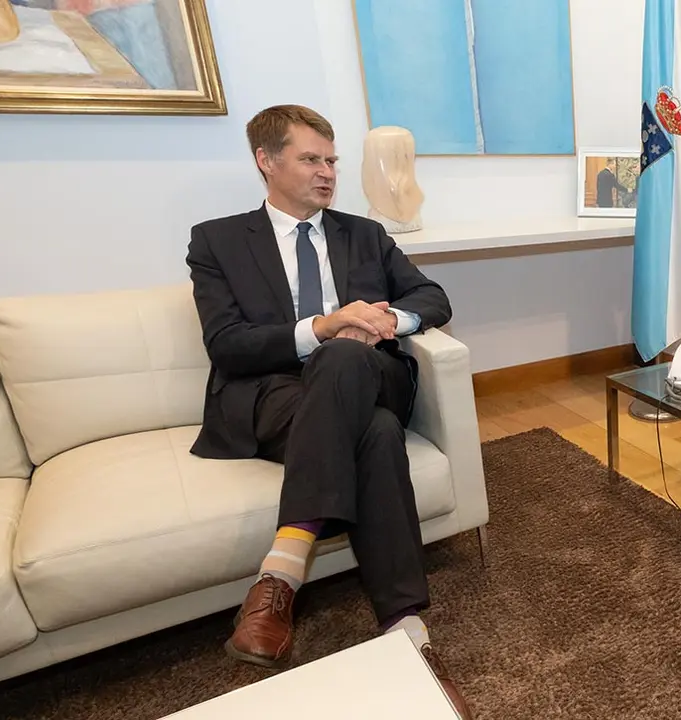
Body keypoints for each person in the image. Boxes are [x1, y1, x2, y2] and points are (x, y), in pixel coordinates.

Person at [186, 105, 470, 716]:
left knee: (344, 362)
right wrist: (323, 325)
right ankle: (408, 629)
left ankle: (282, 570)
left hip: (368, 373)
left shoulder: (363, 233)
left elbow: (433, 297)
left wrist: (390, 319)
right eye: (311, 159)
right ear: (266, 161)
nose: (327, 173)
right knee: (377, 431)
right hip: (274, 392)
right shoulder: (217, 241)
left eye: (331, 160)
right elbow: (227, 344)